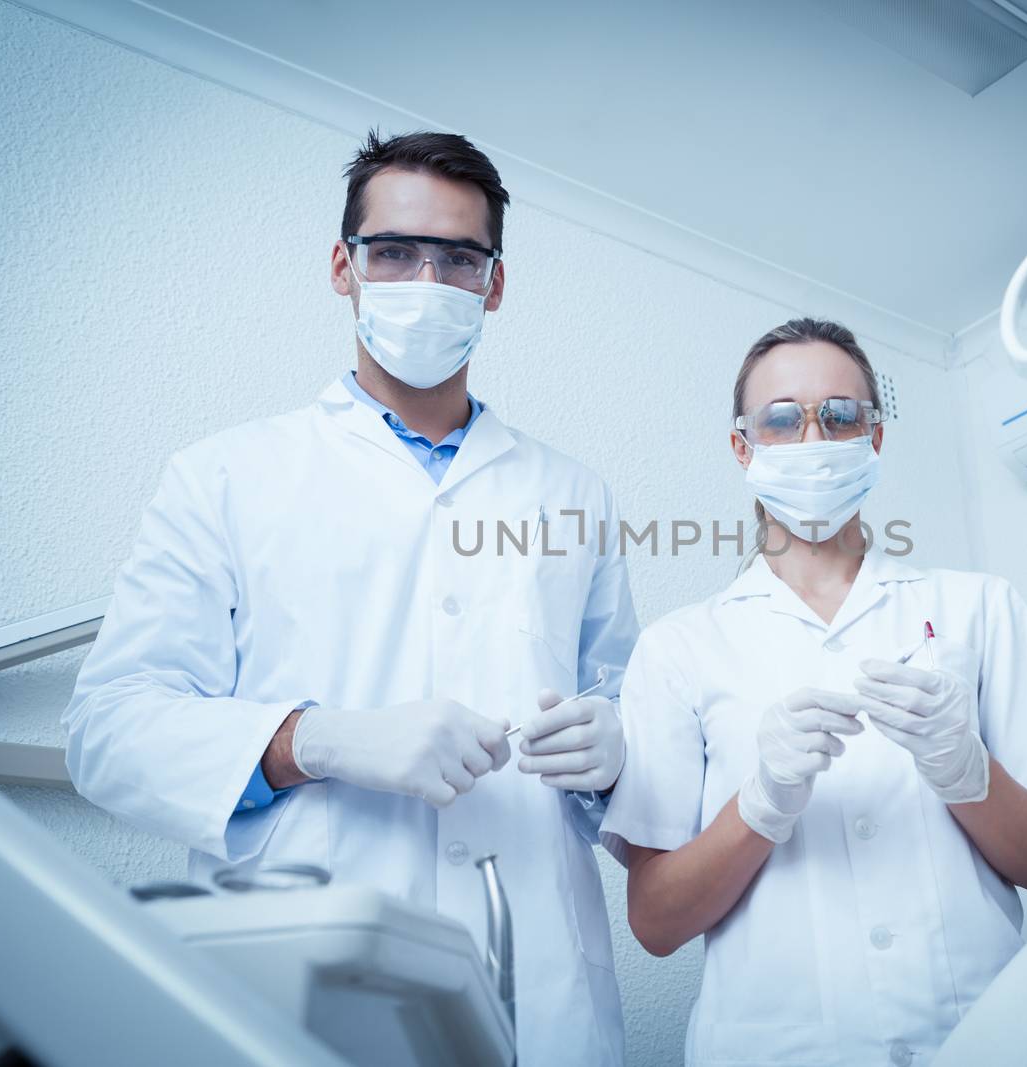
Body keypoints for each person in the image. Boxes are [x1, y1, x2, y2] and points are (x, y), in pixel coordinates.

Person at [63, 130, 638, 1066]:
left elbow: (625, 718)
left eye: (458, 258)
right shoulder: (226, 475)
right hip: (307, 972)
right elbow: (108, 729)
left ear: (494, 285)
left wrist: (618, 751)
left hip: (541, 985)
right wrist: (313, 739)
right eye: (395, 251)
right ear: (344, 266)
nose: (426, 277)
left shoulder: (574, 494)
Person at [600, 318, 1027, 1066]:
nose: (813, 435)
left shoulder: (979, 607)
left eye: (840, 414)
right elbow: (654, 920)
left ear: (873, 437)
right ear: (742, 447)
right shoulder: (680, 647)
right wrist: (760, 805)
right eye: (782, 418)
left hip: (981, 1036)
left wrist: (965, 771)